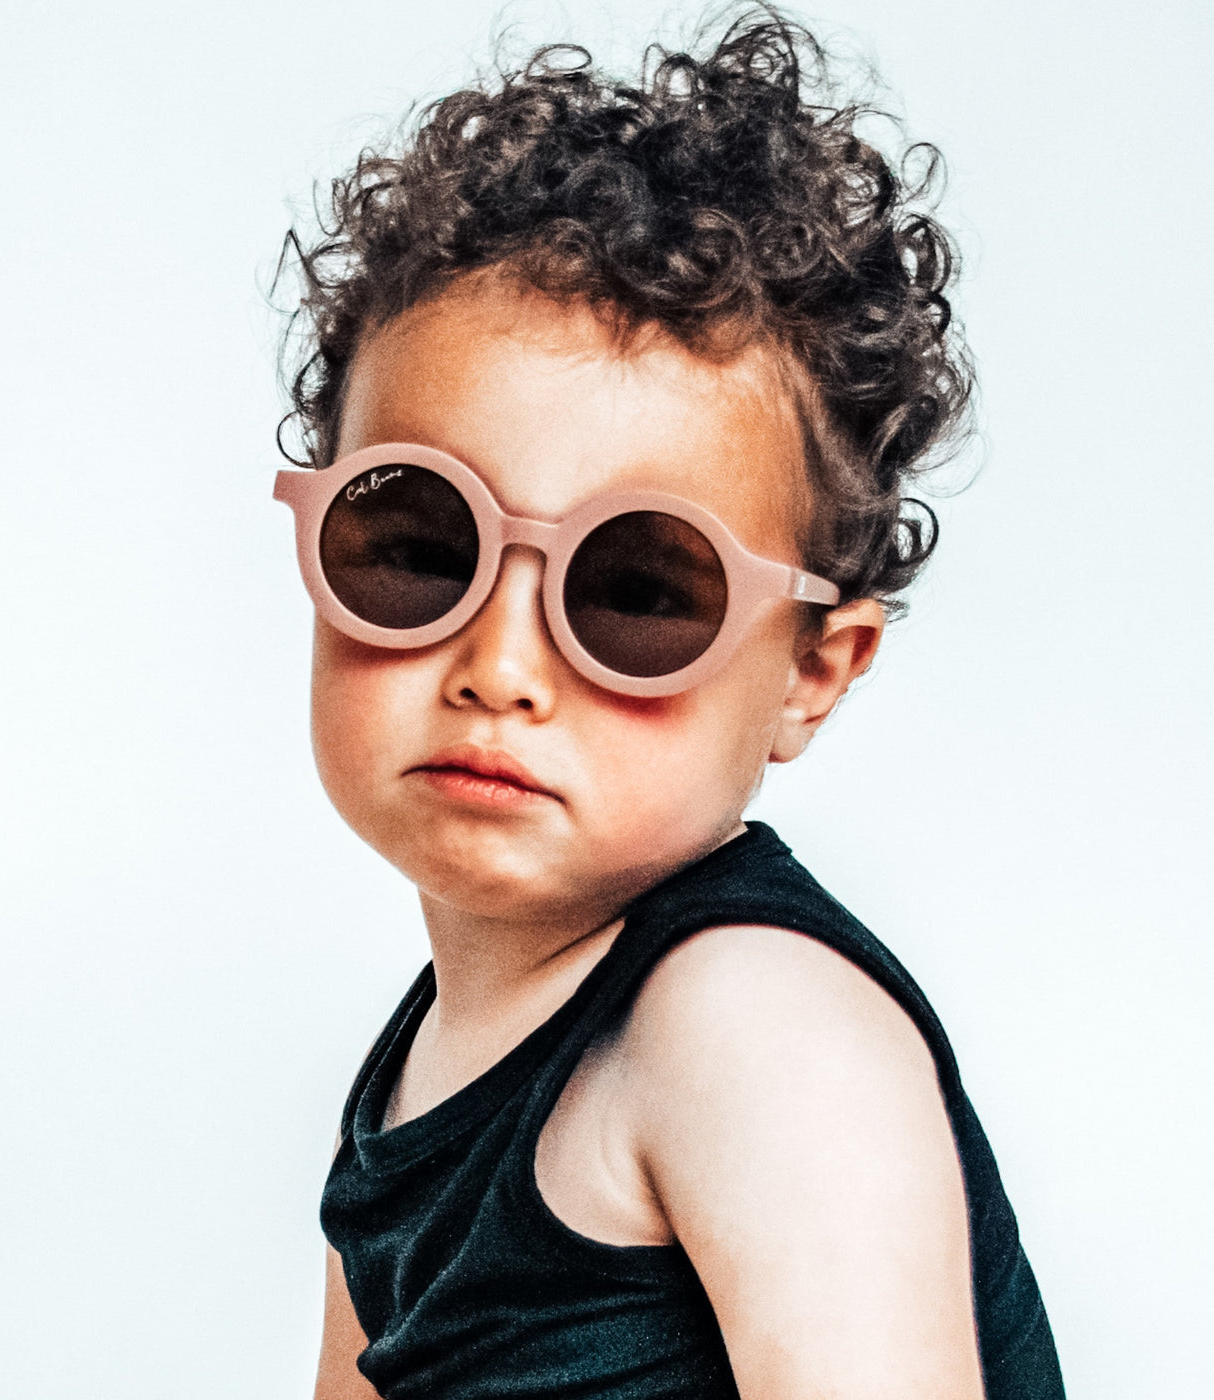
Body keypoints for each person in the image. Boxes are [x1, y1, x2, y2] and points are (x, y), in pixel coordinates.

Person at [272, 9, 1064, 1398]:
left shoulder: (755, 1030)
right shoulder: (425, 1060)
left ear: (810, 674)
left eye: (638, 592)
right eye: (422, 548)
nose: (500, 666)